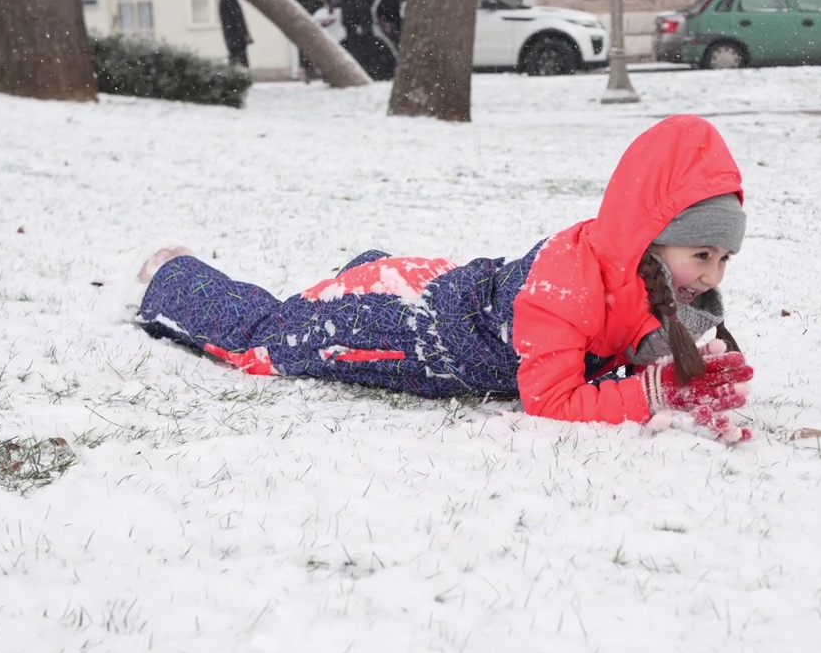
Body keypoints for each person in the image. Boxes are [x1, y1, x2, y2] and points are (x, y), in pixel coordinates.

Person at [134, 115, 755, 441]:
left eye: (723, 260)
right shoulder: (564, 289)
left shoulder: (642, 280)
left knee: (373, 282)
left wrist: (679, 371)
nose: (712, 274)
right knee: (263, 339)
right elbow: (552, 403)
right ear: (648, 236)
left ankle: (364, 273)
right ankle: (175, 275)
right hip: (403, 328)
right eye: (701, 255)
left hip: (447, 292)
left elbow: (615, 351)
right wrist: (654, 392)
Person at [218, 0, 252, 68]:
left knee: (235, 60)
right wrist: (244, 34)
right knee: (239, 61)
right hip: (236, 37)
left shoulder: (227, 0)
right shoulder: (230, 0)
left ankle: (236, 76)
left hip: (233, 37)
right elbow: (237, 20)